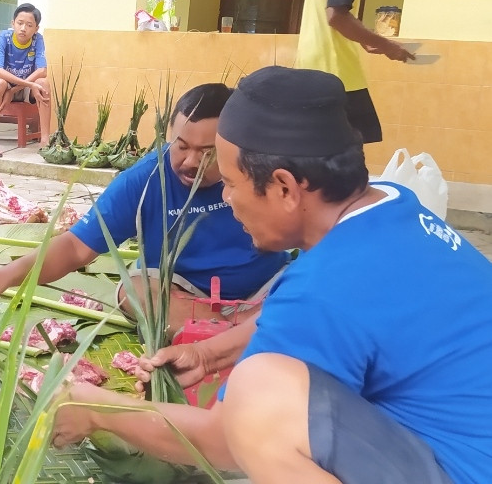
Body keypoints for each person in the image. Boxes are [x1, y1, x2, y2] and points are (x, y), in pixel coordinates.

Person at [51, 66, 492, 484]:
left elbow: (224, 441)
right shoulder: (395, 205)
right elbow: (330, 321)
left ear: (283, 187)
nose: (226, 197)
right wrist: (209, 355)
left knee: (259, 393)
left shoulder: (325, 284)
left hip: (455, 469)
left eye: (230, 182)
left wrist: (95, 408)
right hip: (449, 445)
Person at [0, 83, 290, 348]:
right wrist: (6, 275)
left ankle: (235, 334)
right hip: (179, 292)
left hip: (263, 288)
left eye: (207, 152)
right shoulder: (144, 180)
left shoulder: (260, 175)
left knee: (301, 287)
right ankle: (235, 338)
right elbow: (76, 247)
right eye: (181, 146)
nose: (190, 161)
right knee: (136, 290)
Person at [294, 0, 414, 144]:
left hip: (313, 66)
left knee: (315, 147)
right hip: (335, 69)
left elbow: (334, 15)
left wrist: (364, 37)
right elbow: (336, 17)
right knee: (343, 152)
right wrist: (387, 46)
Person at [0, 3, 50, 159]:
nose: (23, 28)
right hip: (6, 86)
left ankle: (45, 140)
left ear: (36, 29)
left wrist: (15, 90)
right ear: (13, 23)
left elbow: (43, 71)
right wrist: (13, 88)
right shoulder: (4, 37)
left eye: (29, 25)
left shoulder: (37, 40)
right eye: (20, 23)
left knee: (44, 84)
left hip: (23, 89)